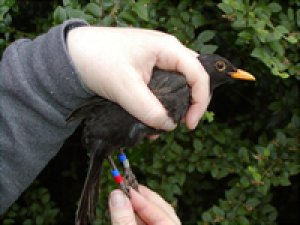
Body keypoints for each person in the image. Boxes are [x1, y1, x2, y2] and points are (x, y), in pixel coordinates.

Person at [0, 19, 210, 223]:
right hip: (103, 126)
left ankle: (120, 174)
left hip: (108, 133)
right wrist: (74, 57)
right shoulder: (175, 82)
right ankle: (119, 175)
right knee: (103, 153)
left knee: (106, 153)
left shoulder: (177, 86)